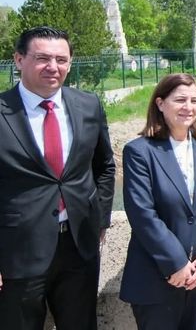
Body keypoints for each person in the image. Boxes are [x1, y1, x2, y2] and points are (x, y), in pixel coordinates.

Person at [0, 26, 116, 330]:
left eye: (61, 60)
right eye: (42, 58)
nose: (53, 67)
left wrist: (101, 218)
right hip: (17, 250)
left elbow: (104, 165)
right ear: (19, 59)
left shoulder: (88, 105)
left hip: (79, 246)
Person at [120, 73, 196, 329]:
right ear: (160, 103)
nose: (189, 107)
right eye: (180, 99)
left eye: (195, 100)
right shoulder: (139, 151)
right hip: (155, 279)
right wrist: (177, 264)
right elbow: (142, 214)